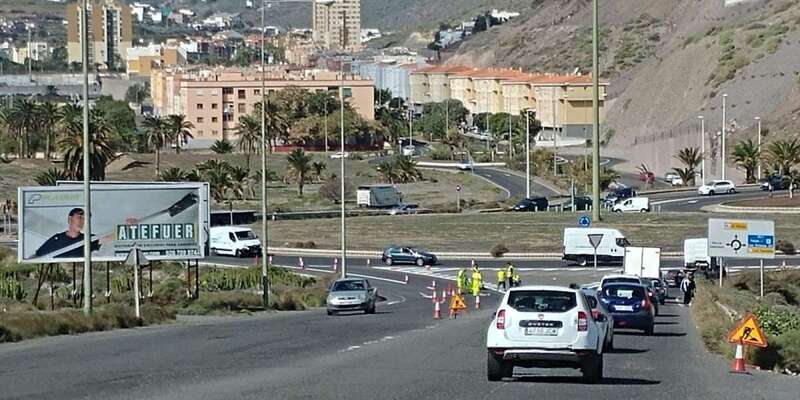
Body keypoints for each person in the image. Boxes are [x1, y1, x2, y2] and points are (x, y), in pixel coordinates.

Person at [34, 208, 101, 259]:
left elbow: (105, 239)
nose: (82, 221)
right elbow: (37, 256)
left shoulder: (90, 239)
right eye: (80, 217)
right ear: (70, 219)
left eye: (85, 219)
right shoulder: (57, 239)